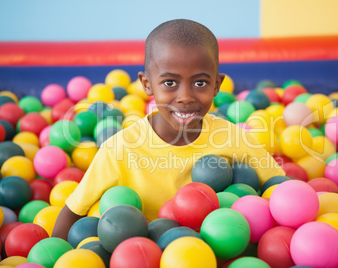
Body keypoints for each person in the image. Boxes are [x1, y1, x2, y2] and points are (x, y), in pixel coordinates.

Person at [52, 19, 284, 240]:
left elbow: (283, 192)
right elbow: (74, 211)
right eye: (170, 83)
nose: (185, 97)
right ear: (147, 84)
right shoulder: (120, 148)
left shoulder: (232, 138)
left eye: (200, 83)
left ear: (216, 85)